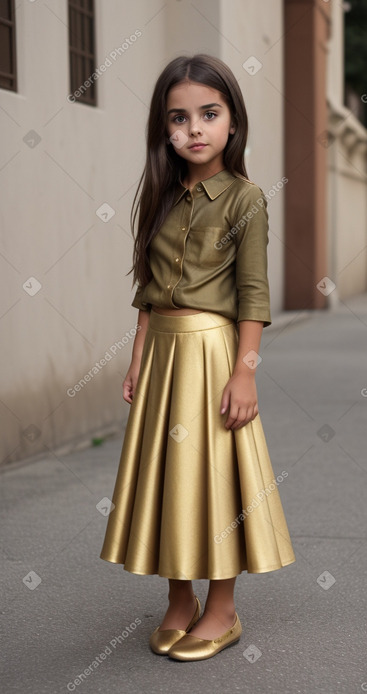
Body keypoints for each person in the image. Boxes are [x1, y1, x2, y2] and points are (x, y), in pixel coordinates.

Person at [99, 53, 296, 662]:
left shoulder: (246, 199)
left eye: (209, 114)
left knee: (215, 475)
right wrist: (136, 361)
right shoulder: (160, 197)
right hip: (161, 352)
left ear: (232, 122)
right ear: (165, 128)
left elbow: (253, 295)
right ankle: (179, 600)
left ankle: (222, 608)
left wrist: (245, 371)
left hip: (213, 354)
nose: (194, 130)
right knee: (167, 475)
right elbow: (146, 293)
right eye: (178, 118)